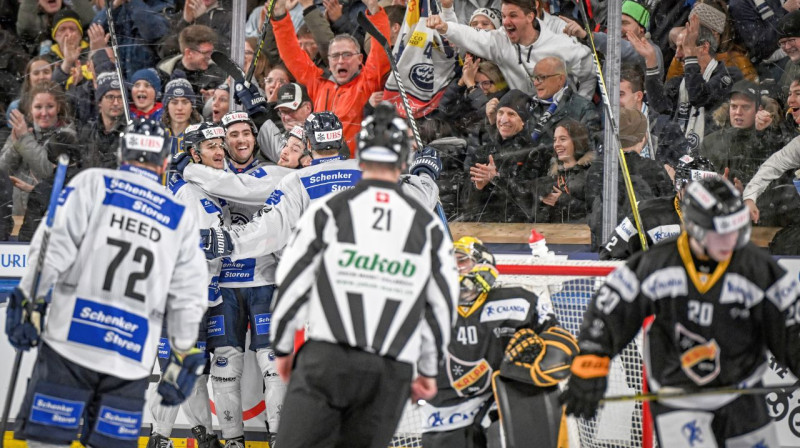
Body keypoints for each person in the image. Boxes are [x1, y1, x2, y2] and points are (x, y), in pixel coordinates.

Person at [6, 117, 209, 448]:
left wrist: (30, 298)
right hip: (128, 358)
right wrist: (183, 350)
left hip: (70, 343)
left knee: (47, 442)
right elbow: (189, 295)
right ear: (166, 161)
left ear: (122, 153)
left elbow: (51, 249)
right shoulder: (179, 214)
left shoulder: (93, 184)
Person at [269, 105, 459, 448]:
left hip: (327, 357)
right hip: (390, 367)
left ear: (360, 155)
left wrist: (283, 347)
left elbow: (293, 281)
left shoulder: (329, 209)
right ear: (402, 162)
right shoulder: (424, 221)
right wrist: (429, 369)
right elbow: (440, 303)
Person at [561, 175, 800, 446]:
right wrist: (592, 358)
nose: (730, 240)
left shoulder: (758, 270)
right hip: (677, 394)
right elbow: (610, 308)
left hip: (741, 392)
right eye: (719, 232)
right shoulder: (658, 263)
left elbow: (792, 329)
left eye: (735, 229)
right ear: (693, 228)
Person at [174, 111, 300, 447]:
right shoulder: (197, 183)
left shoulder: (267, 175)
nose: (234, 143)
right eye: (220, 141)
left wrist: (184, 168)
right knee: (224, 369)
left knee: (274, 366)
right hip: (224, 289)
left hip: (264, 282)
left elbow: (239, 188)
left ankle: (278, 438)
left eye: (246, 134)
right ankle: (231, 441)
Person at [199, 105, 442, 266]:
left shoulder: (296, 181)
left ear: (308, 143)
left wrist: (228, 241)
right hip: (371, 275)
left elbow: (270, 230)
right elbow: (418, 200)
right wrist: (425, 170)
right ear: (340, 138)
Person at [420, 237, 571, 447]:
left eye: (461, 261)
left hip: (503, 412)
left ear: (483, 266)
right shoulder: (423, 310)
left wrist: (542, 359)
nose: (453, 269)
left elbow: (561, 341)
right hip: (442, 421)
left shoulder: (519, 301)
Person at [147, 122, 230, 448]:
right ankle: (160, 438)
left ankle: (204, 435)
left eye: (220, 144)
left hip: (198, 297)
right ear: (194, 154)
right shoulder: (189, 193)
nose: (219, 151)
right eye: (211, 146)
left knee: (192, 372)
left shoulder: (206, 189)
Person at [270, 0, 391, 154]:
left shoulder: (368, 81)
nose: (341, 60)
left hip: (353, 168)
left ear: (360, 59)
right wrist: (279, 16)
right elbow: (291, 55)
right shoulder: (318, 83)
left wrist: (374, 9)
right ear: (328, 59)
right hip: (319, 166)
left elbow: (381, 49)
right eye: (335, 56)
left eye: (347, 55)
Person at [426, 0, 595, 98]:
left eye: (513, 16)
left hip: (558, 121)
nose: (506, 22)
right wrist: (445, 27)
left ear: (530, 16)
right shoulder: (500, 40)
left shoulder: (559, 44)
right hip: (522, 121)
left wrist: (580, 105)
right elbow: (472, 35)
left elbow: (591, 73)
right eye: (504, 16)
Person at [600, 155, 717, 260]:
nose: (702, 194)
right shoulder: (645, 213)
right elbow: (608, 256)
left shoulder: (721, 216)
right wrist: (639, 270)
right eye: (695, 187)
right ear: (679, 186)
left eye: (708, 187)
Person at [530, 118, 594, 224]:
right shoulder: (551, 174)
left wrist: (562, 200)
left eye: (563, 139)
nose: (557, 144)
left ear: (576, 141)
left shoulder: (591, 173)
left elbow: (596, 213)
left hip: (578, 237)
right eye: (555, 140)